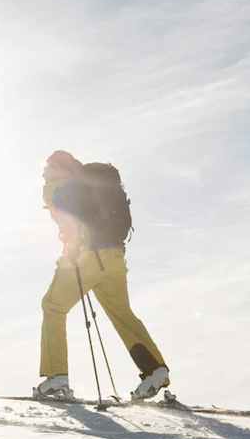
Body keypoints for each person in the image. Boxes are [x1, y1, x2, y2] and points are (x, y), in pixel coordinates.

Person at [35, 151, 171, 402]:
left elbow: (70, 224)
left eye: (48, 167)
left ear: (60, 168)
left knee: (52, 306)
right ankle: (155, 370)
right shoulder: (92, 183)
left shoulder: (57, 188)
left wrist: (71, 252)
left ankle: (57, 377)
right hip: (115, 257)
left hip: (87, 257)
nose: (44, 172)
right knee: (122, 313)